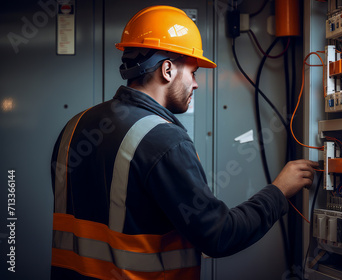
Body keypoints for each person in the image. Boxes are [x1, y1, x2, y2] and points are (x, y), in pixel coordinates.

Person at [50, 5, 318, 280]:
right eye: (193, 72)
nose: (196, 84)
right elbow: (219, 235)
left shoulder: (73, 127)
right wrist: (278, 191)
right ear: (167, 69)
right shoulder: (163, 140)